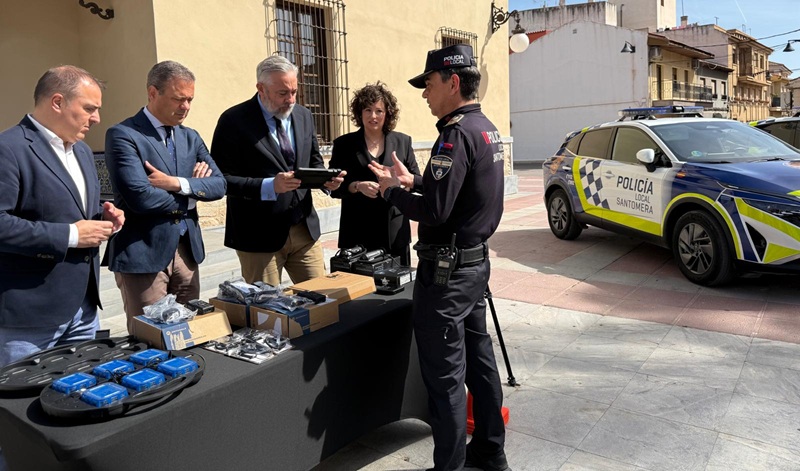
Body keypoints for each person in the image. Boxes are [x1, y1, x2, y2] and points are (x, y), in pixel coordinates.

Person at [370, 44, 510, 471]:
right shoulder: (485, 127)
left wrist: (391, 192)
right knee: (480, 364)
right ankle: (490, 453)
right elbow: (460, 193)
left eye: (429, 84)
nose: (425, 94)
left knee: (446, 379)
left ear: (452, 82)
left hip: (447, 275)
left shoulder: (454, 133)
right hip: (472, 266)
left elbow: (435, 211)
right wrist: (415, 179)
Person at [0, 66, 125, 368]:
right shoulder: (9, 149)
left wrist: (105, 218)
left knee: (82, 395)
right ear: (57, 102)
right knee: (22, 409)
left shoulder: (81, 152)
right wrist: (71, 235)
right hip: (29, 319)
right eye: (89, 109)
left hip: (83, 309)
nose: (96, 119)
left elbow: (72, 211)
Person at [104, 61, 226, 334]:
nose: (185, 107)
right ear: (152, 93)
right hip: (143, 251)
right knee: (151, 337)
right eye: (178, 99)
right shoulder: (124, 135)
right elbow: (140, 197)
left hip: (186, 251)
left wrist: (176, 184)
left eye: (190, 99)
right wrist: (194, 191)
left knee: (189, 331)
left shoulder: (190, 137)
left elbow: (219, 185)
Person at [211, 55, 345, 286]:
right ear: (261, 88)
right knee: (267, 312)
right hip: (258, 237)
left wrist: (325, 181)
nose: (290, 99)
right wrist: (269, 185)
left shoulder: (303, 115)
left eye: (294, 91)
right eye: (282, 93)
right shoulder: (233, 121)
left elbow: (312, 160)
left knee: (323, 301)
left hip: (304, 230)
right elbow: (221, 179)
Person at [329, 82, 420, 265]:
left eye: (379, 111)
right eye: (368, 110)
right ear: (359, 113)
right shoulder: (344, 145)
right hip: (357, 232)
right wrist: (357, 186)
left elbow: (414, 180)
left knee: (395, 288)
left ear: (387, 113)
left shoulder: (403, 141)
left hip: (393, 231)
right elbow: (334, 188)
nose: (373, 116)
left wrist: (398, 183)